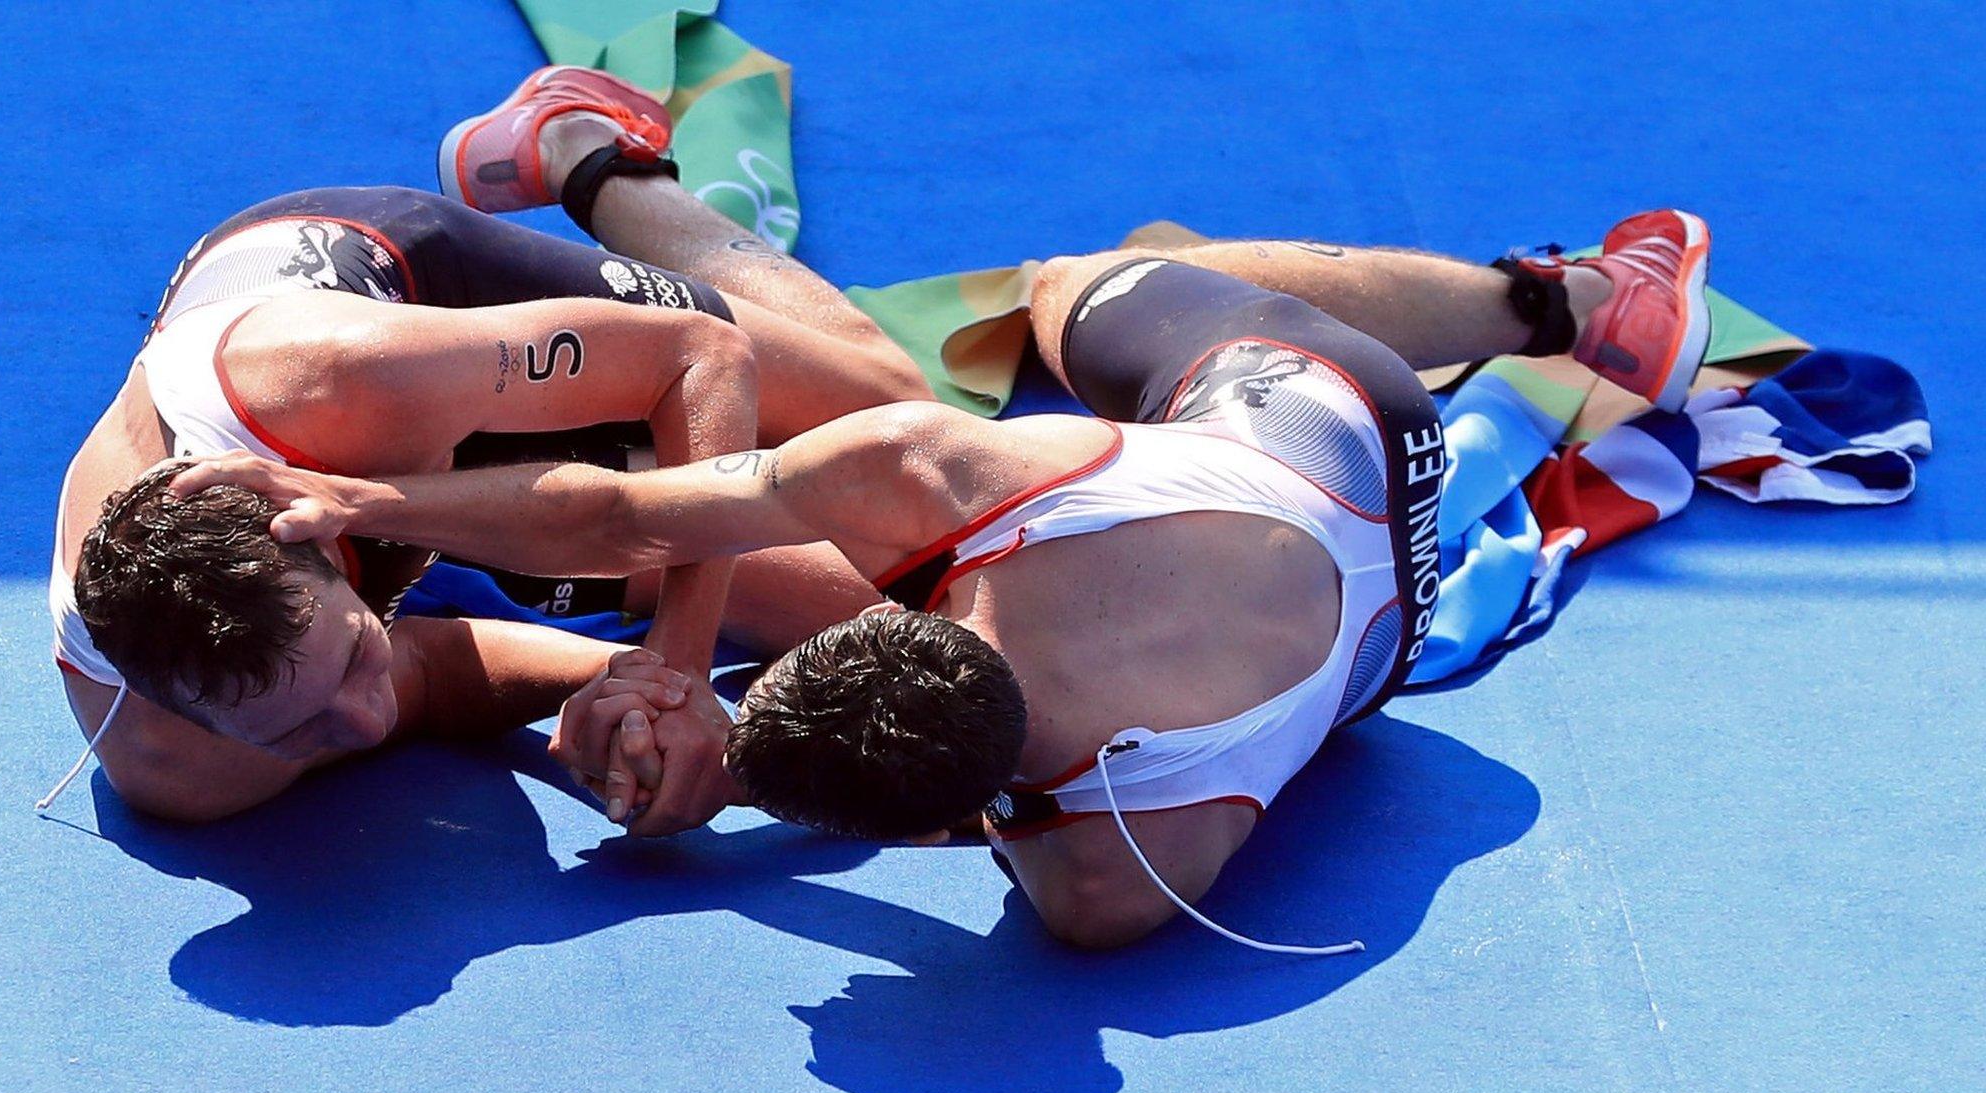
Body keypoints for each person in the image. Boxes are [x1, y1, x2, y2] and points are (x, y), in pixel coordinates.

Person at [175, 200, 1712, 947]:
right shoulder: (1099, 869)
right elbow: (635, 525)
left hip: (1366, 614)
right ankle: (1556, 306)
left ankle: (1553, 305)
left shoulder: (1106, 873)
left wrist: (697, 723)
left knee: (979, 337)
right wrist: (373, 497)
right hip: (1324, 424)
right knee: (1081, 291)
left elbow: (633, 519)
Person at [54, 66, 926, 825]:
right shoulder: (176, 764)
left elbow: (699, 358)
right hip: (399, 487)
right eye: (297, 730)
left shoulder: (351, 382)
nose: (362, 724)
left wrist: (682, 670)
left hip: (407, 304)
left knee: (896, 412)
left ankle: (579, 151)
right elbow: (425, 676)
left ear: (320, 535)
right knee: (905, 606)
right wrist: (623, 690)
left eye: (360, 656)